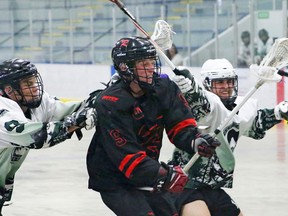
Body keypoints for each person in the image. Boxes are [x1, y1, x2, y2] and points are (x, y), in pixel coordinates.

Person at [86, 36, 220, 216]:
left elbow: (180, 125)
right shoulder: (111, 102)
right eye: (144, 63)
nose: (151, 68)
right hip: (115, 180)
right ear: (126, 68)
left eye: (152, 61)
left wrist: (195, 141)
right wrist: (164, 174)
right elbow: (128, 157)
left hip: (147, 173)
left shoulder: (164, 87)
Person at [170, 58, 288, 216]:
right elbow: (200, 102)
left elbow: (255, 125)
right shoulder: (207, 105)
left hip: (212, 187)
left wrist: (278, 112)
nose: (226, 87)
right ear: (206, 83)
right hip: (185, 185)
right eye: (219, 82)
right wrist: (190, 84)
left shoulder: (238, 106)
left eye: (229, 81)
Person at [0, 58, 97, 215]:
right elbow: (38, 137)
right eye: (28, 84)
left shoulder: (38, 102)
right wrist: (75, 122)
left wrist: (106, 94)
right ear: (10, 90)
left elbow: (75, 108)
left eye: (34, 82)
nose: (35, 88)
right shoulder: (2, 111)